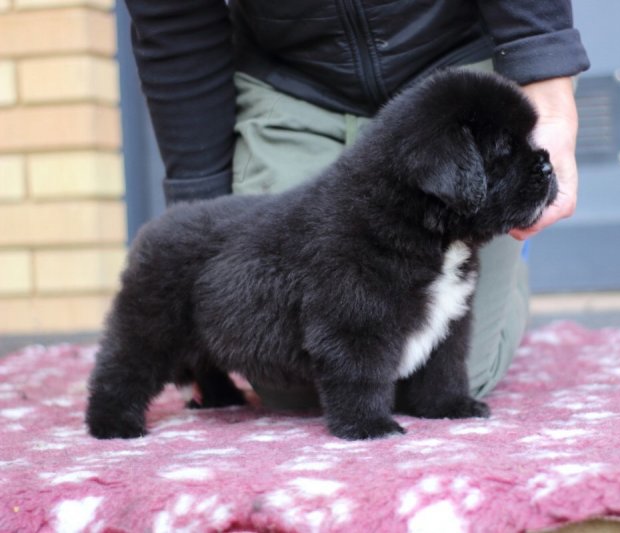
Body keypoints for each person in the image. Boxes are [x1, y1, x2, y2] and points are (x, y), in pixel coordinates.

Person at [123, 0, 590, 406]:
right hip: (295, 85)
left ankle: (497, 267)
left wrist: (547, 90)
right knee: (296, 380)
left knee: (448, 383)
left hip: (455, 81)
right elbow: (174, 18)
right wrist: (200, 250)